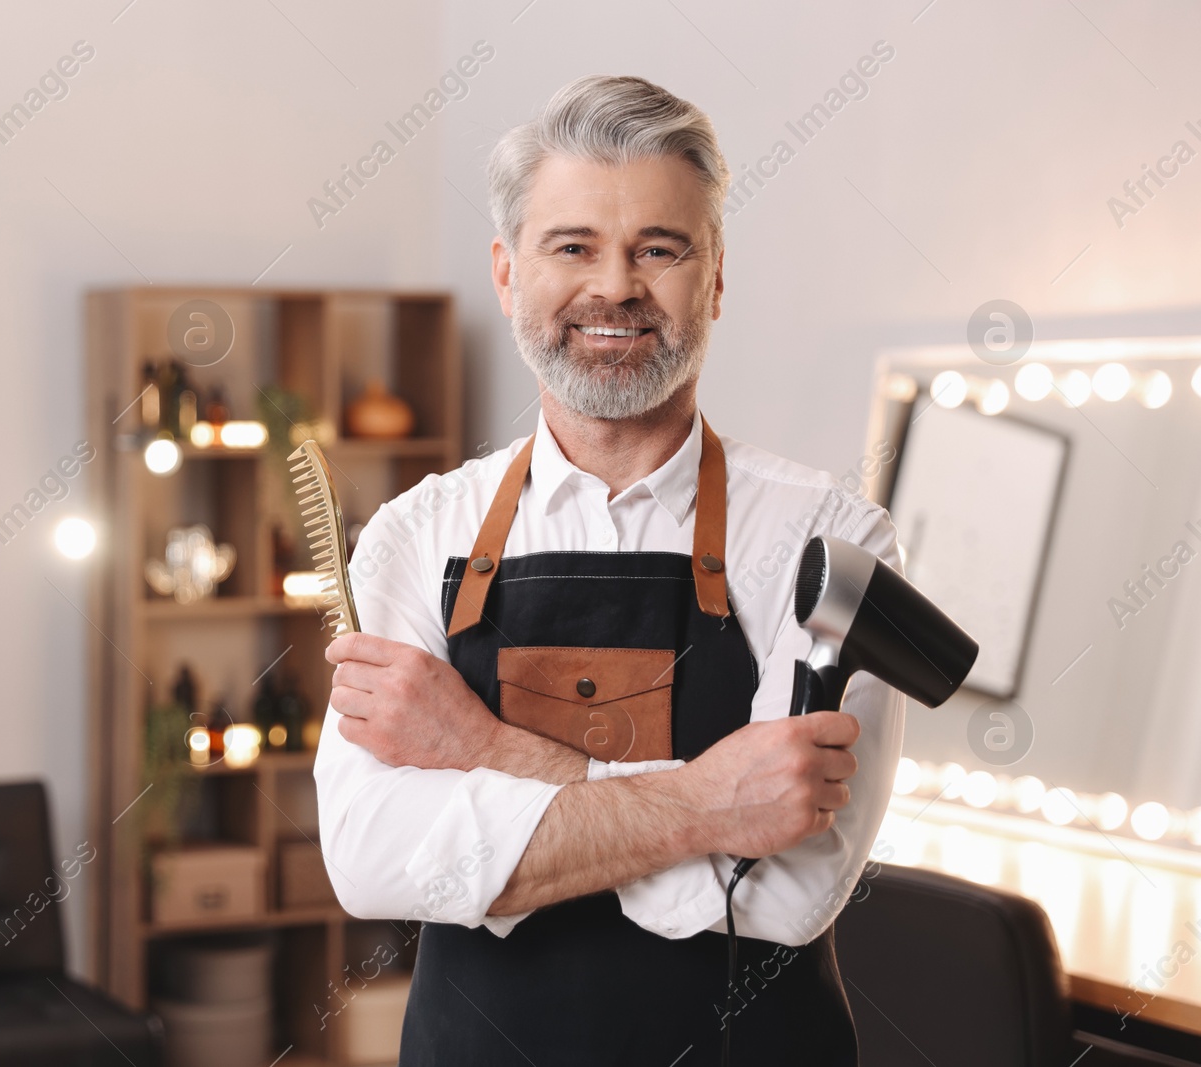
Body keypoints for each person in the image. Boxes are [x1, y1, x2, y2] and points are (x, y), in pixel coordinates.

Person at [313, 73, 903, 1067]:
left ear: (713, 277)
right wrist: (711, 806)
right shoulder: (414, 536)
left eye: (658, 249)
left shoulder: (831, 542)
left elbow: (787, 892)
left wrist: (479, 747)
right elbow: (374, 860)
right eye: (572, 246)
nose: (615, 287)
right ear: (507, 273)